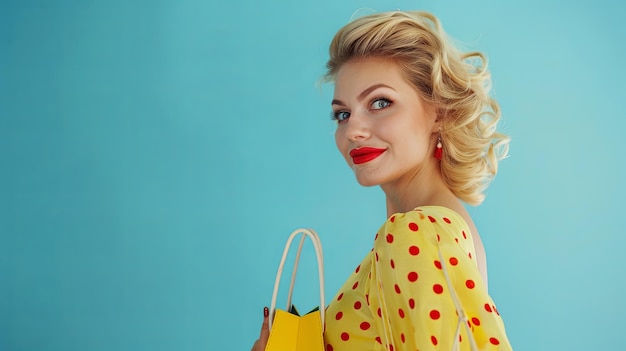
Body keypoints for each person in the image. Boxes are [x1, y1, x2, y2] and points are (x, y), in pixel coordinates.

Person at [252, 10, 512, 351]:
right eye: (342, 114)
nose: (353, 131)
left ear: (439, 112)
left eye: (380, 102)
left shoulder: (418, 232)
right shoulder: (445, 227)